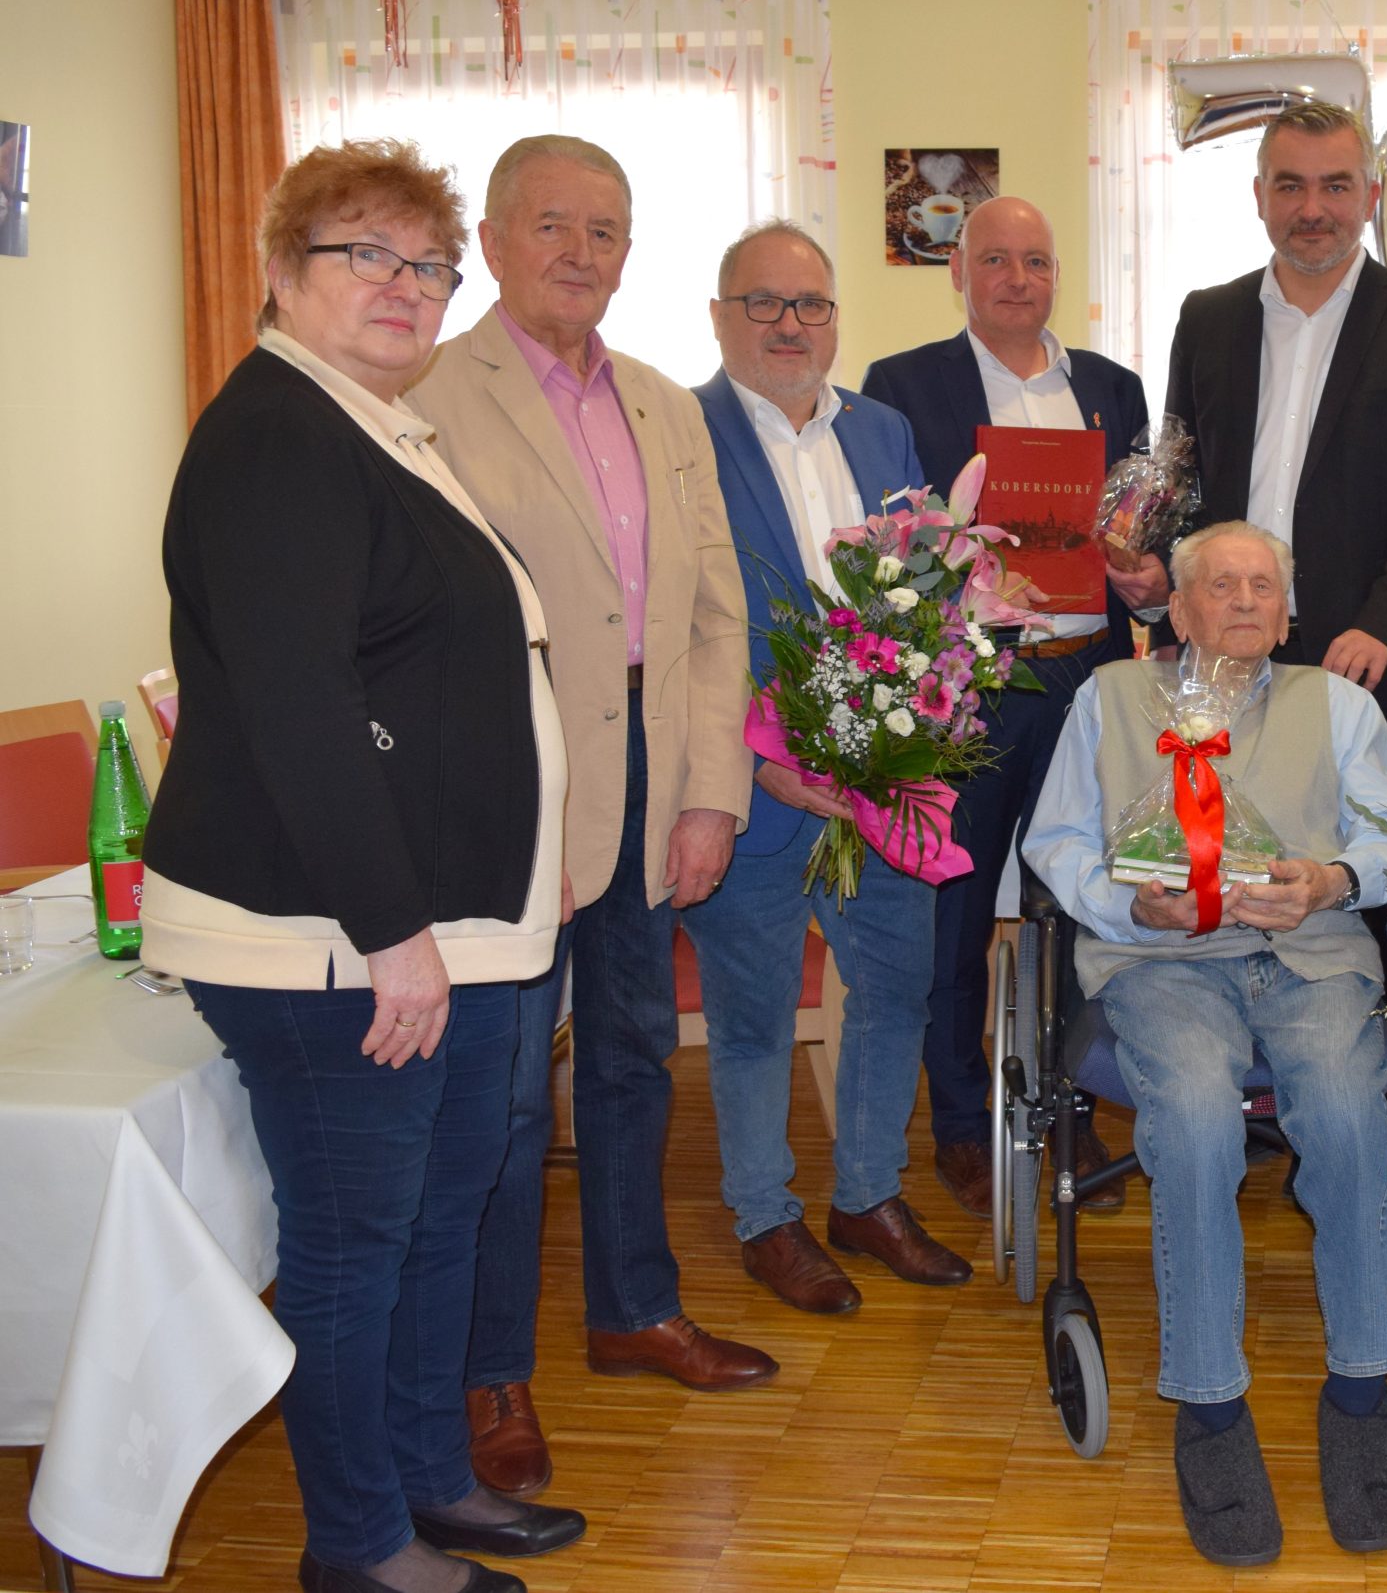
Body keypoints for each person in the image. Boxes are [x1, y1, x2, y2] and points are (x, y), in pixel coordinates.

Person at [142, 138, 583, 1593]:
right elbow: (299, 705)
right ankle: (358, 1544)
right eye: (366, 255)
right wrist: (392, 932)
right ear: (281, 271)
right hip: (331, 940)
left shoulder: (377, 424)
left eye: (429, 265)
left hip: (436, 928)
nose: (406, 286)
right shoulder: (277, 435)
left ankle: (429, 1475)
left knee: (440, 1216)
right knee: (355, 1243)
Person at [407, 135, 769, 1500]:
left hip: (651, 772)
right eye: (551, 224)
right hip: (505, 783)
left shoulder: (667, 406)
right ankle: (486, 1368)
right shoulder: (428, 389)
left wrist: (710, 791)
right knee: (502, 1097)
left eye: (604, 230)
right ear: (493, 242)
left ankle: (633, 1309)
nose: (579, 251)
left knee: (632, 1057)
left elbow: (718, 613)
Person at [1021, 520, 1387, 1568]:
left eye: (1263, 587)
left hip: (1312, 955)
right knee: (1196, 1117)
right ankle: (1208, 1407)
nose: (1244, 600)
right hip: (1160, 963)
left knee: (1348, 1114)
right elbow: (1054, 842)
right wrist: (1129, 903)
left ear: (1287, 615)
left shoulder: (1339, 706)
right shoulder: (1109, 698)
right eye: (1221, 585)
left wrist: (1333, 880)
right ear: (1180, 608)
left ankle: (1360, 1389)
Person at [686, 219, 971, 1312]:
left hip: (881, 782)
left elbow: (921, 588)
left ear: (835, 318)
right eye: (763, 303)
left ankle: (867, 1195)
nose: (789, 325)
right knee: (754, 1016)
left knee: (895, 990)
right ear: (721, 317)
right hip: (752, 789)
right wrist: (751, 753)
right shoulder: (682, 432)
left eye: (809, 304)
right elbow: (679, 621)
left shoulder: (884, 430)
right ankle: (765, 1215)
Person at [861, 195, 1151, 1221]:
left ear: (1057, 273)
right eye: (995, 259)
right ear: (959, 271)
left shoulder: (1111, 389)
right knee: (953, 914)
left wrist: (1147, 579)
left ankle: (1073, 1105)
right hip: (969, 685)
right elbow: (889, 539)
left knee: (1078, 906)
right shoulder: (901, 387)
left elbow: (1142, 532)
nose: (1018, 278)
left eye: (1036, 259)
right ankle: (961, 1123)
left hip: (1088, 682)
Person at [1162, 99, 1387, 793]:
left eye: (1335, 185)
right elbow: (1178, 480)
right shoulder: (1207, 318)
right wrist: (1167, 605)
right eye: (1290, 185)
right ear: (1259, 196)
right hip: (1220, 649)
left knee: (1355, 852)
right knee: (1210, 843)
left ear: (1369, 196)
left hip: (1363, 658)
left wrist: (1382, 627)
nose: (1312, 209)